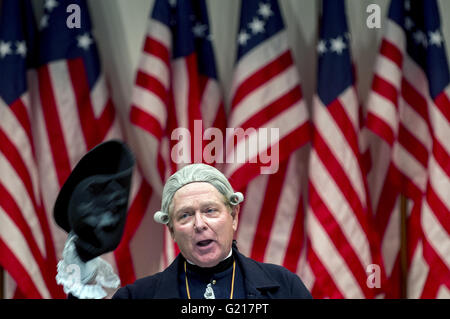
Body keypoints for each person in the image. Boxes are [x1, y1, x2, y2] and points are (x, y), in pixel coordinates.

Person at [112, 163, 312, 299]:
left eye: (210, 211)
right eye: (185, 215)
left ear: (233, 216)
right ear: (171, 230)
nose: (199, 224)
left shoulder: (285, 288)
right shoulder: (135, 296)